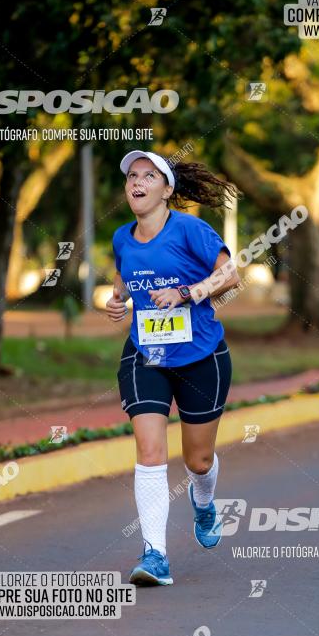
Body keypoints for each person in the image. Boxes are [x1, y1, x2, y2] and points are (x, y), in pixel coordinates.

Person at [106, 150, 240, 586]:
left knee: (198, 461)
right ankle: (155, 555)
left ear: (167, 190)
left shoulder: (190, 230)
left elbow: (231, 275)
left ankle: (203, 502)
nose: (137, 182)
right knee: (149, 452)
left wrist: (185, 292)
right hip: (146, 356)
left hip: (201, 357)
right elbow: (126, 277)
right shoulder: (122, 238)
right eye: (132, 176)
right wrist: (118, 299)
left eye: (148, 176)